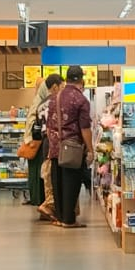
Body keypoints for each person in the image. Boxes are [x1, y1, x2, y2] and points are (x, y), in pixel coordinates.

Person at [45, 65, 93, 228]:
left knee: (57, 181)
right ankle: (68, 219)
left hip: (54, 146)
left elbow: (48, 123)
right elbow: (85, 128)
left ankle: (59, 217)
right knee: (71, 182)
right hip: (72, 148)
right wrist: (90, 149)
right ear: (81, 79)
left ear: (66, 79)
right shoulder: (81, 100)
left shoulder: (54, 98)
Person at [30, 74, 63, 218]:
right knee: (57, 176)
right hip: (56, 142)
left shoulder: (40, 105)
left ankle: (47, 207)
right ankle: (52, 208)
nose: (63, 89)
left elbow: (36, 129)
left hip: (44, 143)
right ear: (55, 87)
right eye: (61, 86)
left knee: (47, 176)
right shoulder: (58, 102)